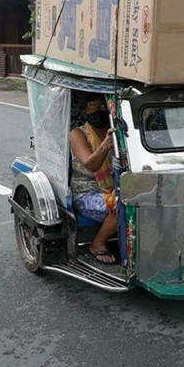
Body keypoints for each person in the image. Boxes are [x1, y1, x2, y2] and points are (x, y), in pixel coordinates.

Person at [69, 93, 118, 265]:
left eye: (102, 108)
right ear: (85, 111)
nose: (98, 112)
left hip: (116, 187)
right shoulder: (78, 134)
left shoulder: (116, 131)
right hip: (87, 193)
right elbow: (91, 164)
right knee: (122, 205)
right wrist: (105, 145)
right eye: (93, 108)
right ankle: (97, 243)